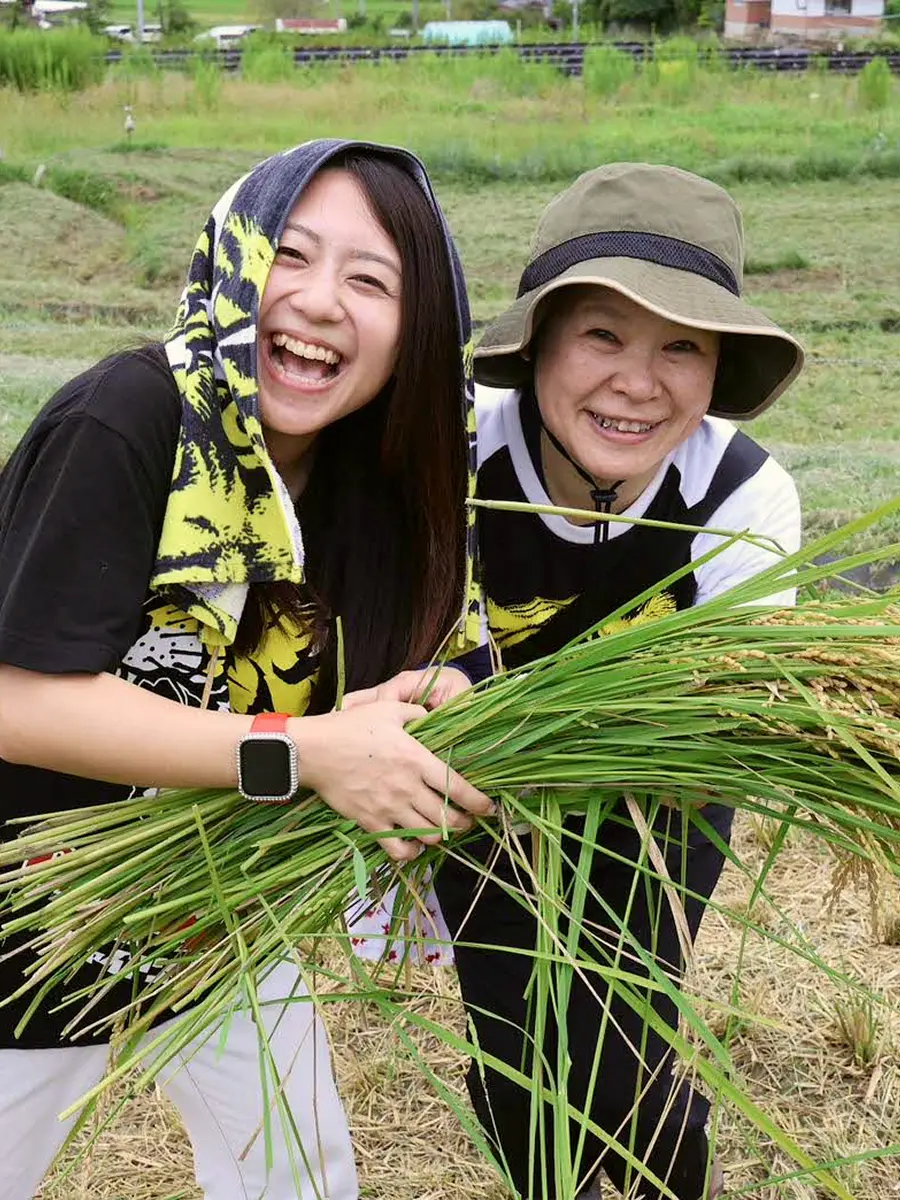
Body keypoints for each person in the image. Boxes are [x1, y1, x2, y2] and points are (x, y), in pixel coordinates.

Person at [0, 138, 494, 1200]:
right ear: (231, 263)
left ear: (420, 330)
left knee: (300, 1176)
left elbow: (382, 669)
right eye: (291, 255)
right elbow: (17, 701)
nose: (317, 302)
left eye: (371, 280)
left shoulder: (377, 485)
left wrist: (422, 702)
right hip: (21, 930)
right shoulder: (127, 423)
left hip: (209, 914)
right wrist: (304, 753)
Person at [368, 162, 804, 1199]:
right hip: (478, 788)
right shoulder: (450, 447)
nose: (636, 383)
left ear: (716, 370)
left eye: (681, 348)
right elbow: (388, 631)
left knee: (619, 1057)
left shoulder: (743, 498)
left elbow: (722, 732)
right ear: (540, 346)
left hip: (659, 802)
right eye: (602, 336)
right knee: (517, 1062)